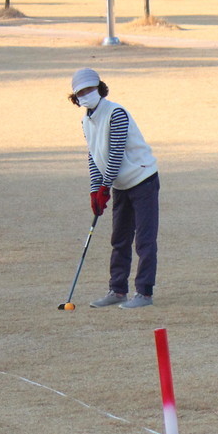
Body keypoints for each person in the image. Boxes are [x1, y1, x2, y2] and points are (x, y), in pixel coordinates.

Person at [68, 68, 160, 309]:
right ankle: (117, 290)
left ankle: (144, 293)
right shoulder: (86, 120)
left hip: (142, 179)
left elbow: (116, 154)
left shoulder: (116, 113)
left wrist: (104, 187)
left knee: (144, 239)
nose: (86, 94)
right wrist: (94, 189)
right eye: (81, 92)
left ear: (100, 88)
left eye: (90, 89)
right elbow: (94, 156)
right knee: (119, 238)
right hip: (120, 184)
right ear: (76, 97)